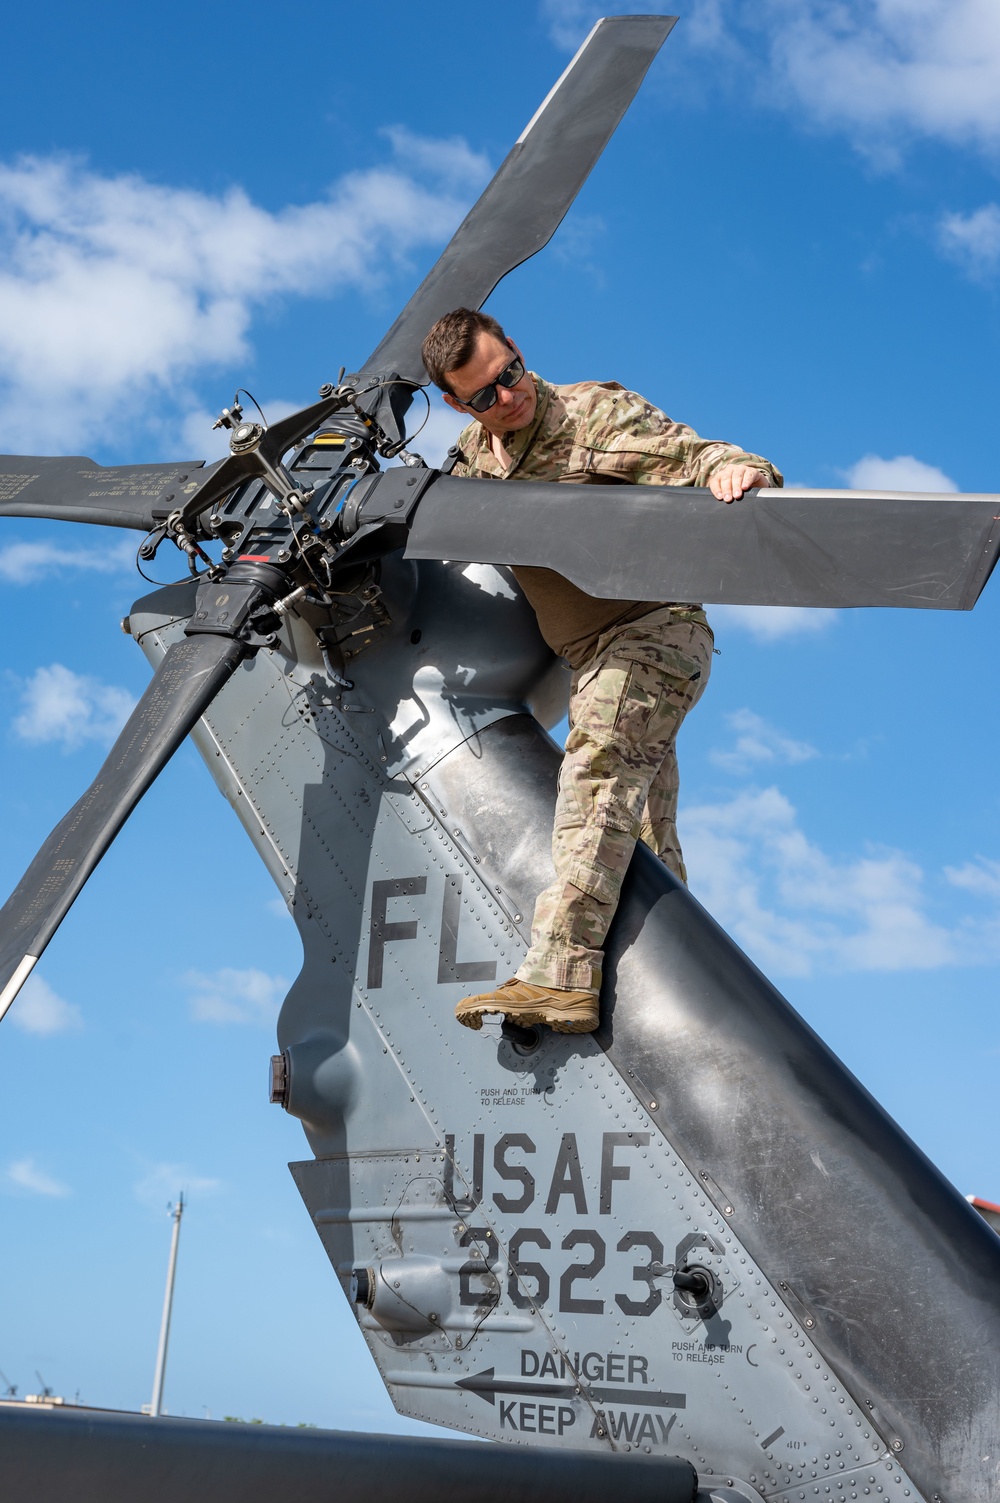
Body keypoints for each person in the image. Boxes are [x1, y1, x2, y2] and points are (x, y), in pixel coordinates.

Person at [420, 308, 782, 1036]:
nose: (509, 396)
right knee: (644, 847)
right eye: (485, 395)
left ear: (517, 349)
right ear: (459, 406)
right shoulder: (475, 456)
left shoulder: (593, 417)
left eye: (511, 373)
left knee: (595, 781)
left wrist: (738, 470)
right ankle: (677, 1007)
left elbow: (699, 455)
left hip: (652, 635)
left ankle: (560, 976)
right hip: (591, 660)